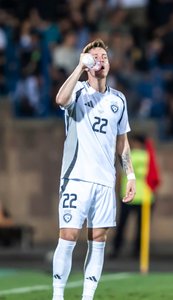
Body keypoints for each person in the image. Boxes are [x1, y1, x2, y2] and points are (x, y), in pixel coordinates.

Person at [52, 39, 135, 300]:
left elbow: (122, 141)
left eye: (104, 56)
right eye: (95, 57)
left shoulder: (118, 100)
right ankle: (58, 296)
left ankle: (87, 297)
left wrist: (130, 175)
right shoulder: (76, 91)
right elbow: (59, 99)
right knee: (67, 236)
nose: (101, 60)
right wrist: (79, 67)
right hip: (76, 177)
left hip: (104, 182)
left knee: (98, 241)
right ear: (88, 63)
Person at [111, 134, 160, 259]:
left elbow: (121, 175)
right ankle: (138, 253)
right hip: (145, 196)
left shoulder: (129, 156)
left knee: (122, 225)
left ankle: (116, 250)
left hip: (129, 196)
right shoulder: (148, 156)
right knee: (141, 228)